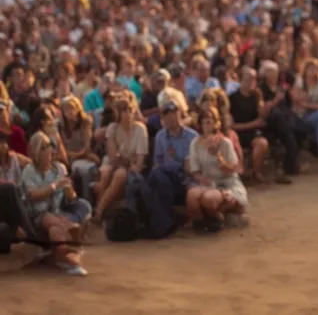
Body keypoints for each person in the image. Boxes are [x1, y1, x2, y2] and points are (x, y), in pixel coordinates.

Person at [20, 131, 90, 275]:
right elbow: (32, 195)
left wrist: (70, 191)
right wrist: (54, 186)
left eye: (50, 146)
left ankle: (59, 258)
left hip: (55, 214)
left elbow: (72, 198)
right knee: (58, 222)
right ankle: (69, 257)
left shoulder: (59, 169)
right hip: (35, 215)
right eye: (45, 147)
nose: (50, 150)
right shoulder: (29, 171)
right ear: (37, 151)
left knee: (55, 230)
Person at [185, 106, 249, 233]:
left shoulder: (225, 143)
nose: (207, 124)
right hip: (209, 182)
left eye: (210, 120)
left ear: (216, 123)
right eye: (204, 121)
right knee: (192, 196)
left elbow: (232, 169)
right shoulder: (195, 143)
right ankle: (202, 224)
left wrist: (217, 155)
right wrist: (203, 180)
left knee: (208, 198)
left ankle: (219, 216)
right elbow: (194, 171)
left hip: (227, 183)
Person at [93, 92, 148, 221]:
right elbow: (112, 157)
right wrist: (128, 161)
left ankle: (99, 211)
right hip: (115, 163)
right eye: (124, 111)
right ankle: (101, 212)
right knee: (106, 173)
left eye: (130, 110)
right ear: (118, 113)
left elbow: (139, 163)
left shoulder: (140, 129)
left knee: (121, 174)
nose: (128, 114)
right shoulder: (112, 128)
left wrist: (126, 162)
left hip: (128, 167)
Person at [151, 100, 198, 168]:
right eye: (166, 114)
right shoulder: (160, 137)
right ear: (162, 119)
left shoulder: (192, 136)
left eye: (174, 113)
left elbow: (198, 163)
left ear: (180, 114)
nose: (171, 117)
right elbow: (157, 163)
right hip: (167, 175)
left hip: (187, 174)